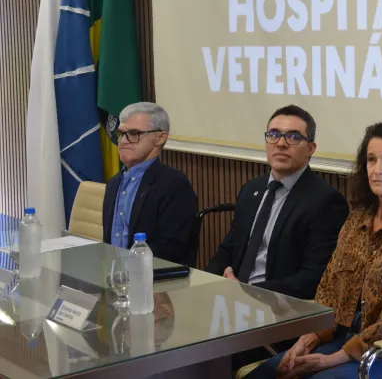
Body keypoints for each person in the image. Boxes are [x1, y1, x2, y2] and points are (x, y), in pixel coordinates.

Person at [244, 120, 382, 379]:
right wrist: (307, 340)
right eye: (371, 160)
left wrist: (329, 360)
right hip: (339, 337)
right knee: (267, 374)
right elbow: (329, 288)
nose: (377, 170)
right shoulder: (356, 221)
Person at [205, 105, 348, 300]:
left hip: (279, 306)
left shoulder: (325, 202)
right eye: (273, 135)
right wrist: (207, 284)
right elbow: (227, 250)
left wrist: (247, 292)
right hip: (231, 299)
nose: (280, 144)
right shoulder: (251, 189)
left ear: (310, 149)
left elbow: (313, 278)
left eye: (293, 137)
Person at [102, 102, 198, 265]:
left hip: (153, 275)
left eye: (134, 134)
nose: (123, 141)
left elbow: (172, 248)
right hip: (114, 274)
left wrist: (129, 266)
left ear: (160, 138)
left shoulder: (174, 185)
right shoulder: (114, 183)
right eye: (121, 134)